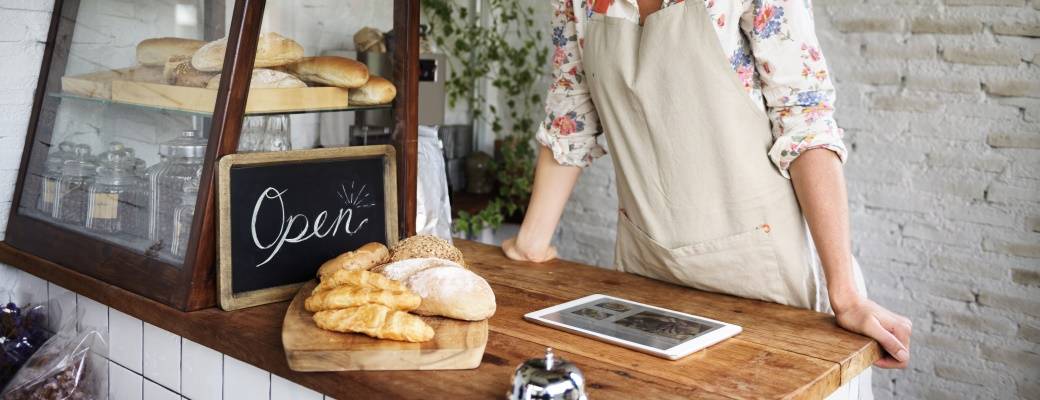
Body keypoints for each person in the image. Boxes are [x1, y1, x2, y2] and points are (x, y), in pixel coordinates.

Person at [502, 0, 911, 397]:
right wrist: (531, 242)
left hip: (772, 292)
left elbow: (806, 126)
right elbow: (569, 115)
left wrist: (847, 297)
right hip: (650, 281)